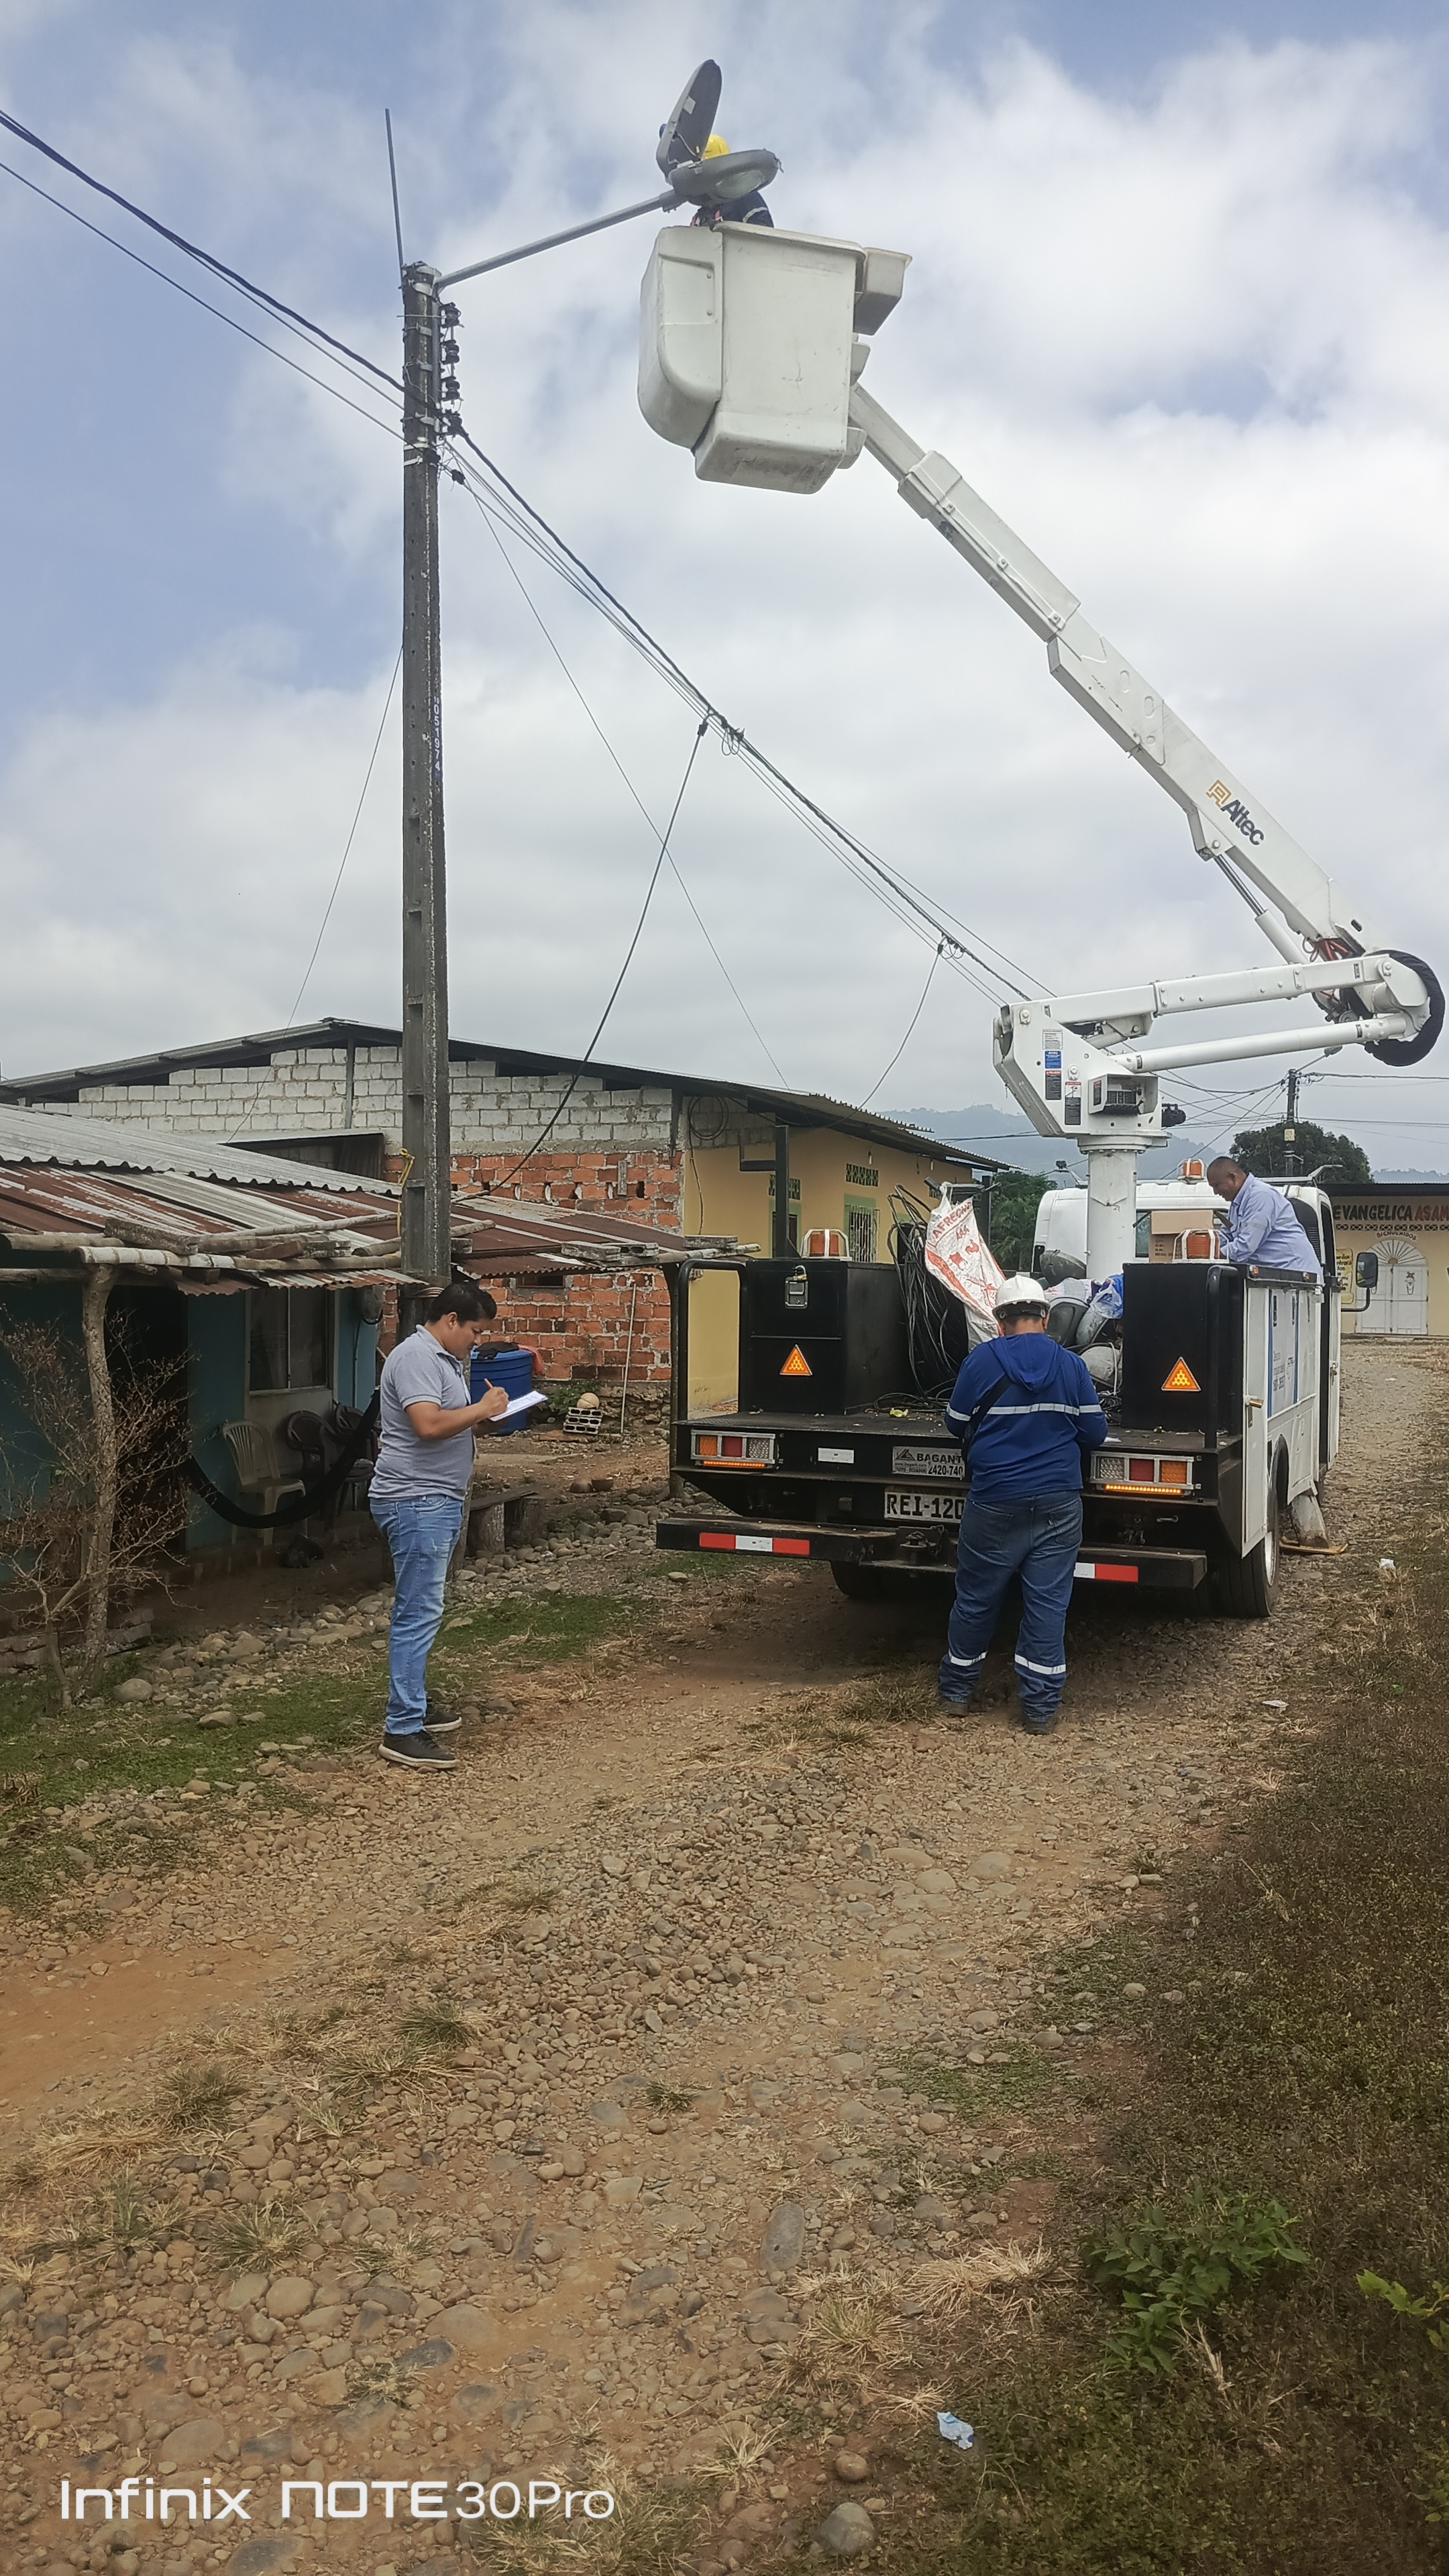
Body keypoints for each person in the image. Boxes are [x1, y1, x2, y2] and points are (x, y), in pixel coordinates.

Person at [938, 1274, 1108, 1736]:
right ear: (1046, 1318)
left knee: (976, 1598)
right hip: (1058, 1502)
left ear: (1000, 1321)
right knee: (1048, 1604)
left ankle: (957, 1694)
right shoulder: (1071, 1365)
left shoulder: (981, 1361)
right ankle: (1039, 1710)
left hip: (994, 1500)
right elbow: (1095, 1433)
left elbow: (955, 1424)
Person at [370, 1282, 511, 1771]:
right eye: (475, 1330)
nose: (477, 1340)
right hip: (416, 1500)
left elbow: (450, 1420)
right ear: (451, 1320)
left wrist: (487, 1420)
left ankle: (414, 1702)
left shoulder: (445, 1360)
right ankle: (402, 1728)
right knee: (418, 1611)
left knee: (425, 1608)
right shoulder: (416, 1358)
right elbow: (428, 1426)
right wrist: (480, 1410)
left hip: (435, 1499)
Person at [1204, 1159, 1322, 1278]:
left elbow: (1246, 1245)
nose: (1215, 1192)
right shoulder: (1237, 1205)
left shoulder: (1261, 1196)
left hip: (1298, 1276)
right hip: (1279, 1276)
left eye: (1217, 1185)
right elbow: (1224, 1237)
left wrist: (1213, 1254)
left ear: (1233, 1178)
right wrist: (1207, 1248)